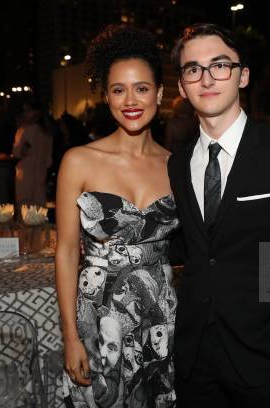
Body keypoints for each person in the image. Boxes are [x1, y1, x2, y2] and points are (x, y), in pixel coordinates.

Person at [167, 23, 270, 407]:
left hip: (265, 354)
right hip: (194, 355)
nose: (206, 78)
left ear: (243, 75)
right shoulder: (178, 163)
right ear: (181, 86)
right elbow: (196, 249)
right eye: (193, 69)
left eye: (220, 65)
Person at [55, 25, 179, 408]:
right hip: (98, 312)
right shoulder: (79, 161)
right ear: (106, 96)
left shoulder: (178, 166)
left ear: (159, 93)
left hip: (161, 313)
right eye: (118, 89)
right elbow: (66, 252)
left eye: (141, 88)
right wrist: (71, 336)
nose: (131, 99)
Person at [12, 107, 53, 206]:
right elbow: (49, 160)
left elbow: (20, 151)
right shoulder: (47, 133)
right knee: (39, 198)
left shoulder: (26, 130)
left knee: (25, 199)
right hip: (41, 169)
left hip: (27, 169)